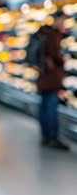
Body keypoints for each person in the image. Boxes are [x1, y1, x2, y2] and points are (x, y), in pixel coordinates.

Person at [35, 11, 69, 150]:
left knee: (43, 106)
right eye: (63, 20)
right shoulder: (54, 34)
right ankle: (53, 136)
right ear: (58, 19)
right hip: (52, 77)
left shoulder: (43, 33)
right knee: (51, 107)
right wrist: (63, 61)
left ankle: (45, 135)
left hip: (42, 76)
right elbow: (56, 54)